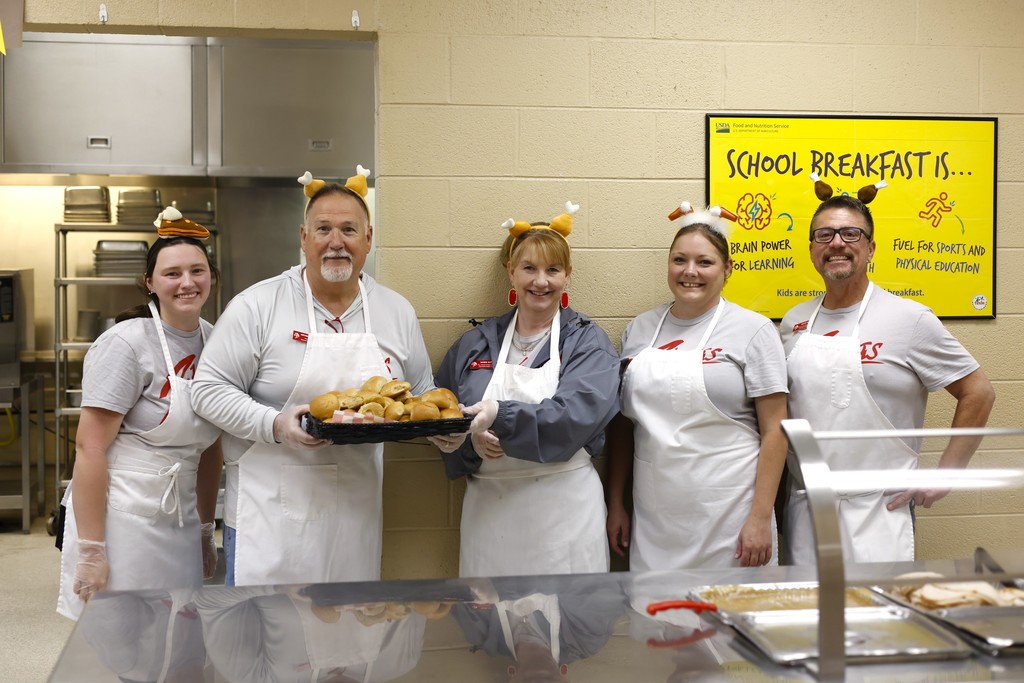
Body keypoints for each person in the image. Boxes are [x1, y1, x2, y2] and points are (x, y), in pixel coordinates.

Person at [191, 166, 434, 586]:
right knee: (264, 644)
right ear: (303, 237)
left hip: (354, 519)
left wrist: (444, 430)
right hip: (267, 518)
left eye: (348, 230)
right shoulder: (258, 306)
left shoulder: (396, 311)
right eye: (323, 229)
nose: (335, 242)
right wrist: (275, 424)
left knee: (348, 644)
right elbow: (207, 392)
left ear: (369, 239)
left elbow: (420, 396)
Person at [780, 182, 996, 564]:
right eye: (824, 234)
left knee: (878, 620)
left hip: (880, 511)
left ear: (870, 247)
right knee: (810, 618)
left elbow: (978, 392)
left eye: (851, 234)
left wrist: (945, 474)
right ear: (812, 249)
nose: (837, 243)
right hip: (808, 508)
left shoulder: (909, 318)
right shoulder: (794, 321)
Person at [431, 201, 619, 577]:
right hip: (491, 515)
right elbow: (442, 411)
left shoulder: (586, 342)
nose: (541, 281)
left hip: (564, 512)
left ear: (567, 276)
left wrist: (499, 417)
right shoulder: (475, 344)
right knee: (493, 626)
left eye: (553, 270)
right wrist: (467, 441)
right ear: (511, 272)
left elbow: (577, 416)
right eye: (529, 268)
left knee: (565, 625)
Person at [57, 207, 223, 620]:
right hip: (122, 518)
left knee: (183, 636)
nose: (187, 283)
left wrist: (205, 528)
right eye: (172, 273)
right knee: (130, 643)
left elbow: (210, 449)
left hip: (180, 514)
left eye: (197, 271)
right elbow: (89, 448)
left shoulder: (216, 342)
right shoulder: (127, 344)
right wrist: (94, 550)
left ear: (211, 277)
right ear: (150, 282)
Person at [606, 203, 789, 571]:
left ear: (727, 269)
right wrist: (615, 504)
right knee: (659, 620)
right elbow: (624, 426)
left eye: (704, 262)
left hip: (731, 520)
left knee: (730, 621)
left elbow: (775, 432)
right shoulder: (640, 329)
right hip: (656, 520)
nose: (690, 272)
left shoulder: (753, 330)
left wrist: (759, 518)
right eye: (679, 260)